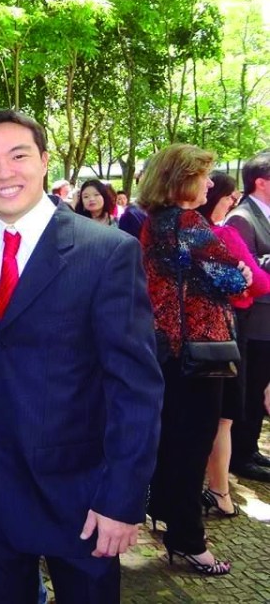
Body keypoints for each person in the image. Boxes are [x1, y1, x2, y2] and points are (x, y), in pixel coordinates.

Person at [0, 109, 163, 603]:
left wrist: (122, 498)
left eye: (18, 155)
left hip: (79, 488)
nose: (3, 172)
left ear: (45, 161)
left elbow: (135, 386)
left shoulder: (106, 251)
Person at [139, 144, 249, 577]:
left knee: (173, 440)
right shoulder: (188, 223)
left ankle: (169, 518)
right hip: (198, 353)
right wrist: (238, 272)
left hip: (169, 350)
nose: (210, 184)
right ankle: (188, 540)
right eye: (204, 176)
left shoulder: (155, 222)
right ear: (182, 179)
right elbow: (233, 279)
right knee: (192, 446)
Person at [197, 171, 270, 517]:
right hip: (226, 330)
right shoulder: (224, 230)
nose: (232, 201)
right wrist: (248, 276)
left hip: (213, 331)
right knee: (223, 416)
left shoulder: (186, 230)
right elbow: (252, 284)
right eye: (228, 196)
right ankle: (219, 490)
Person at [225, 148, 270, 482]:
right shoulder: (242, 217)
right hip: (255, 321)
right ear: (261, 182)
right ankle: (239, 454)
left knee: (261, 385)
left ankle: (250, 447)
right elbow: (246, 269)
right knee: (251, 388)